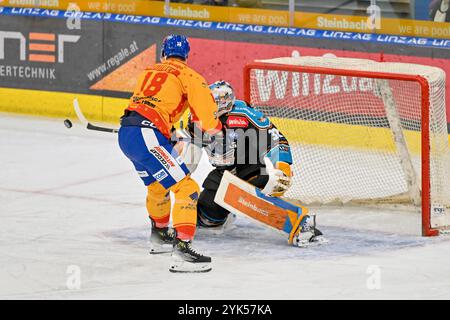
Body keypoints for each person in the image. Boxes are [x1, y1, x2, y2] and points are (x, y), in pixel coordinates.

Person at [118, 35, 221, 273]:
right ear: (187, 55)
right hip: (147, 134)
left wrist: (170, 132)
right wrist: (217, 130)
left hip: (128, 134)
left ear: (164, 53)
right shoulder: (190, 76)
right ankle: (183, 250)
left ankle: (160, 236)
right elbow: (208, 121)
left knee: (157, 186)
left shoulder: (150, 70)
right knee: (188, 189)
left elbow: (153, 106)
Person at [185, 80, 294, 230]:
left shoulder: (244, 114)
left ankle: (291, 217)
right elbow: (191, 150)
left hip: (252, 170)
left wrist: (283, 166)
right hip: (223, 174)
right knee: (206, 217)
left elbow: (276, 139)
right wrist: (181, 174)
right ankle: (227, 212)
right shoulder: (195, 119)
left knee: (261, 188)